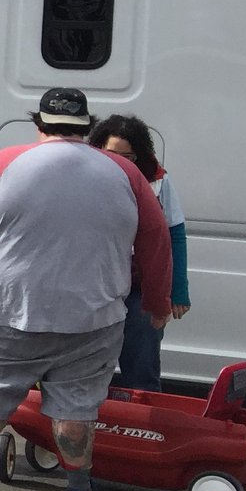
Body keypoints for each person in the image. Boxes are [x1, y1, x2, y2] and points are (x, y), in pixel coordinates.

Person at [0, 87, 173, 491]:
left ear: (38, 124)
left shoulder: (2, 163)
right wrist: (158, 303)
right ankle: (79, 490)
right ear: (87, 127)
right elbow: (157, 239)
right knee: (77, 402)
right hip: (93, 314)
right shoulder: (125, 172)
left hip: (8, 307)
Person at [88, 114, 188, 389]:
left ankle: (143, 415)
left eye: (127, 156)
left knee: (144, 341)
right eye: (110, 154)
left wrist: (178, 290)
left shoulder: (157, 180)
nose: (118, 162)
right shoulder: (84, 176)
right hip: (95, 282)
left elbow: (174, 235)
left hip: (138, 283)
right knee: (88, 356)